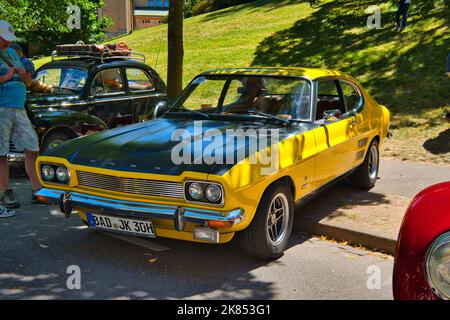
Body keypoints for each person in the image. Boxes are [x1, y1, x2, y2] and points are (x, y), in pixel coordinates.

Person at [0, 20, 41, 211]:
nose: (7, 42)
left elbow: (27, 83)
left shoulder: (12, 53)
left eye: (9, 39)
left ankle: (37, 189)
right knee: (1, 153)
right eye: (4, 39)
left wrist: (26, 80)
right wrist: (6, 77)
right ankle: (5, 191)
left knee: (32, 147)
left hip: (19, 107)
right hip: (2, 108)